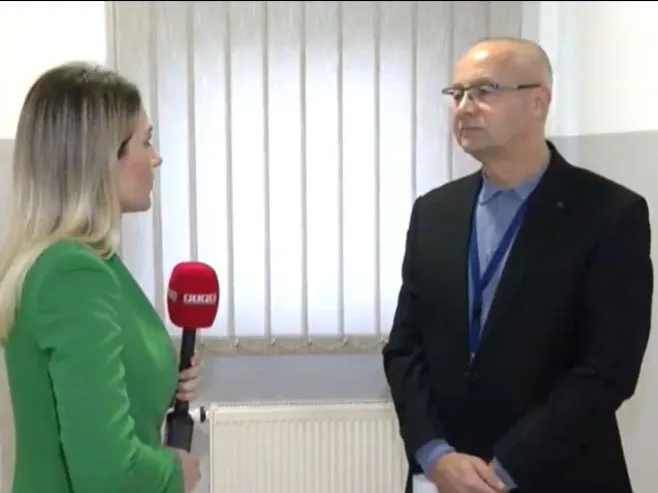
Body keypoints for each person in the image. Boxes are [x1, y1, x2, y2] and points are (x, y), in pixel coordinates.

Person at [383, 37, 653, 493]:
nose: (464, 107)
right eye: (457, 94)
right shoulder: (434, 212)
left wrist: (505, 469)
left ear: (538, 102)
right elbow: (405, 349)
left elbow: (607, 368)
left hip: (559, 473)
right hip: (442, 476)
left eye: (483, 91)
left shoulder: (609, 214)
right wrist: (434, 453)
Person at [0, 62, 202, 493]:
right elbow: (108, 472)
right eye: (146, 142)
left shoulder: (84, 261)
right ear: (104, 158)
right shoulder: (73, 274)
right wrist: (175, 473)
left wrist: (162, 374)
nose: (156, 158)